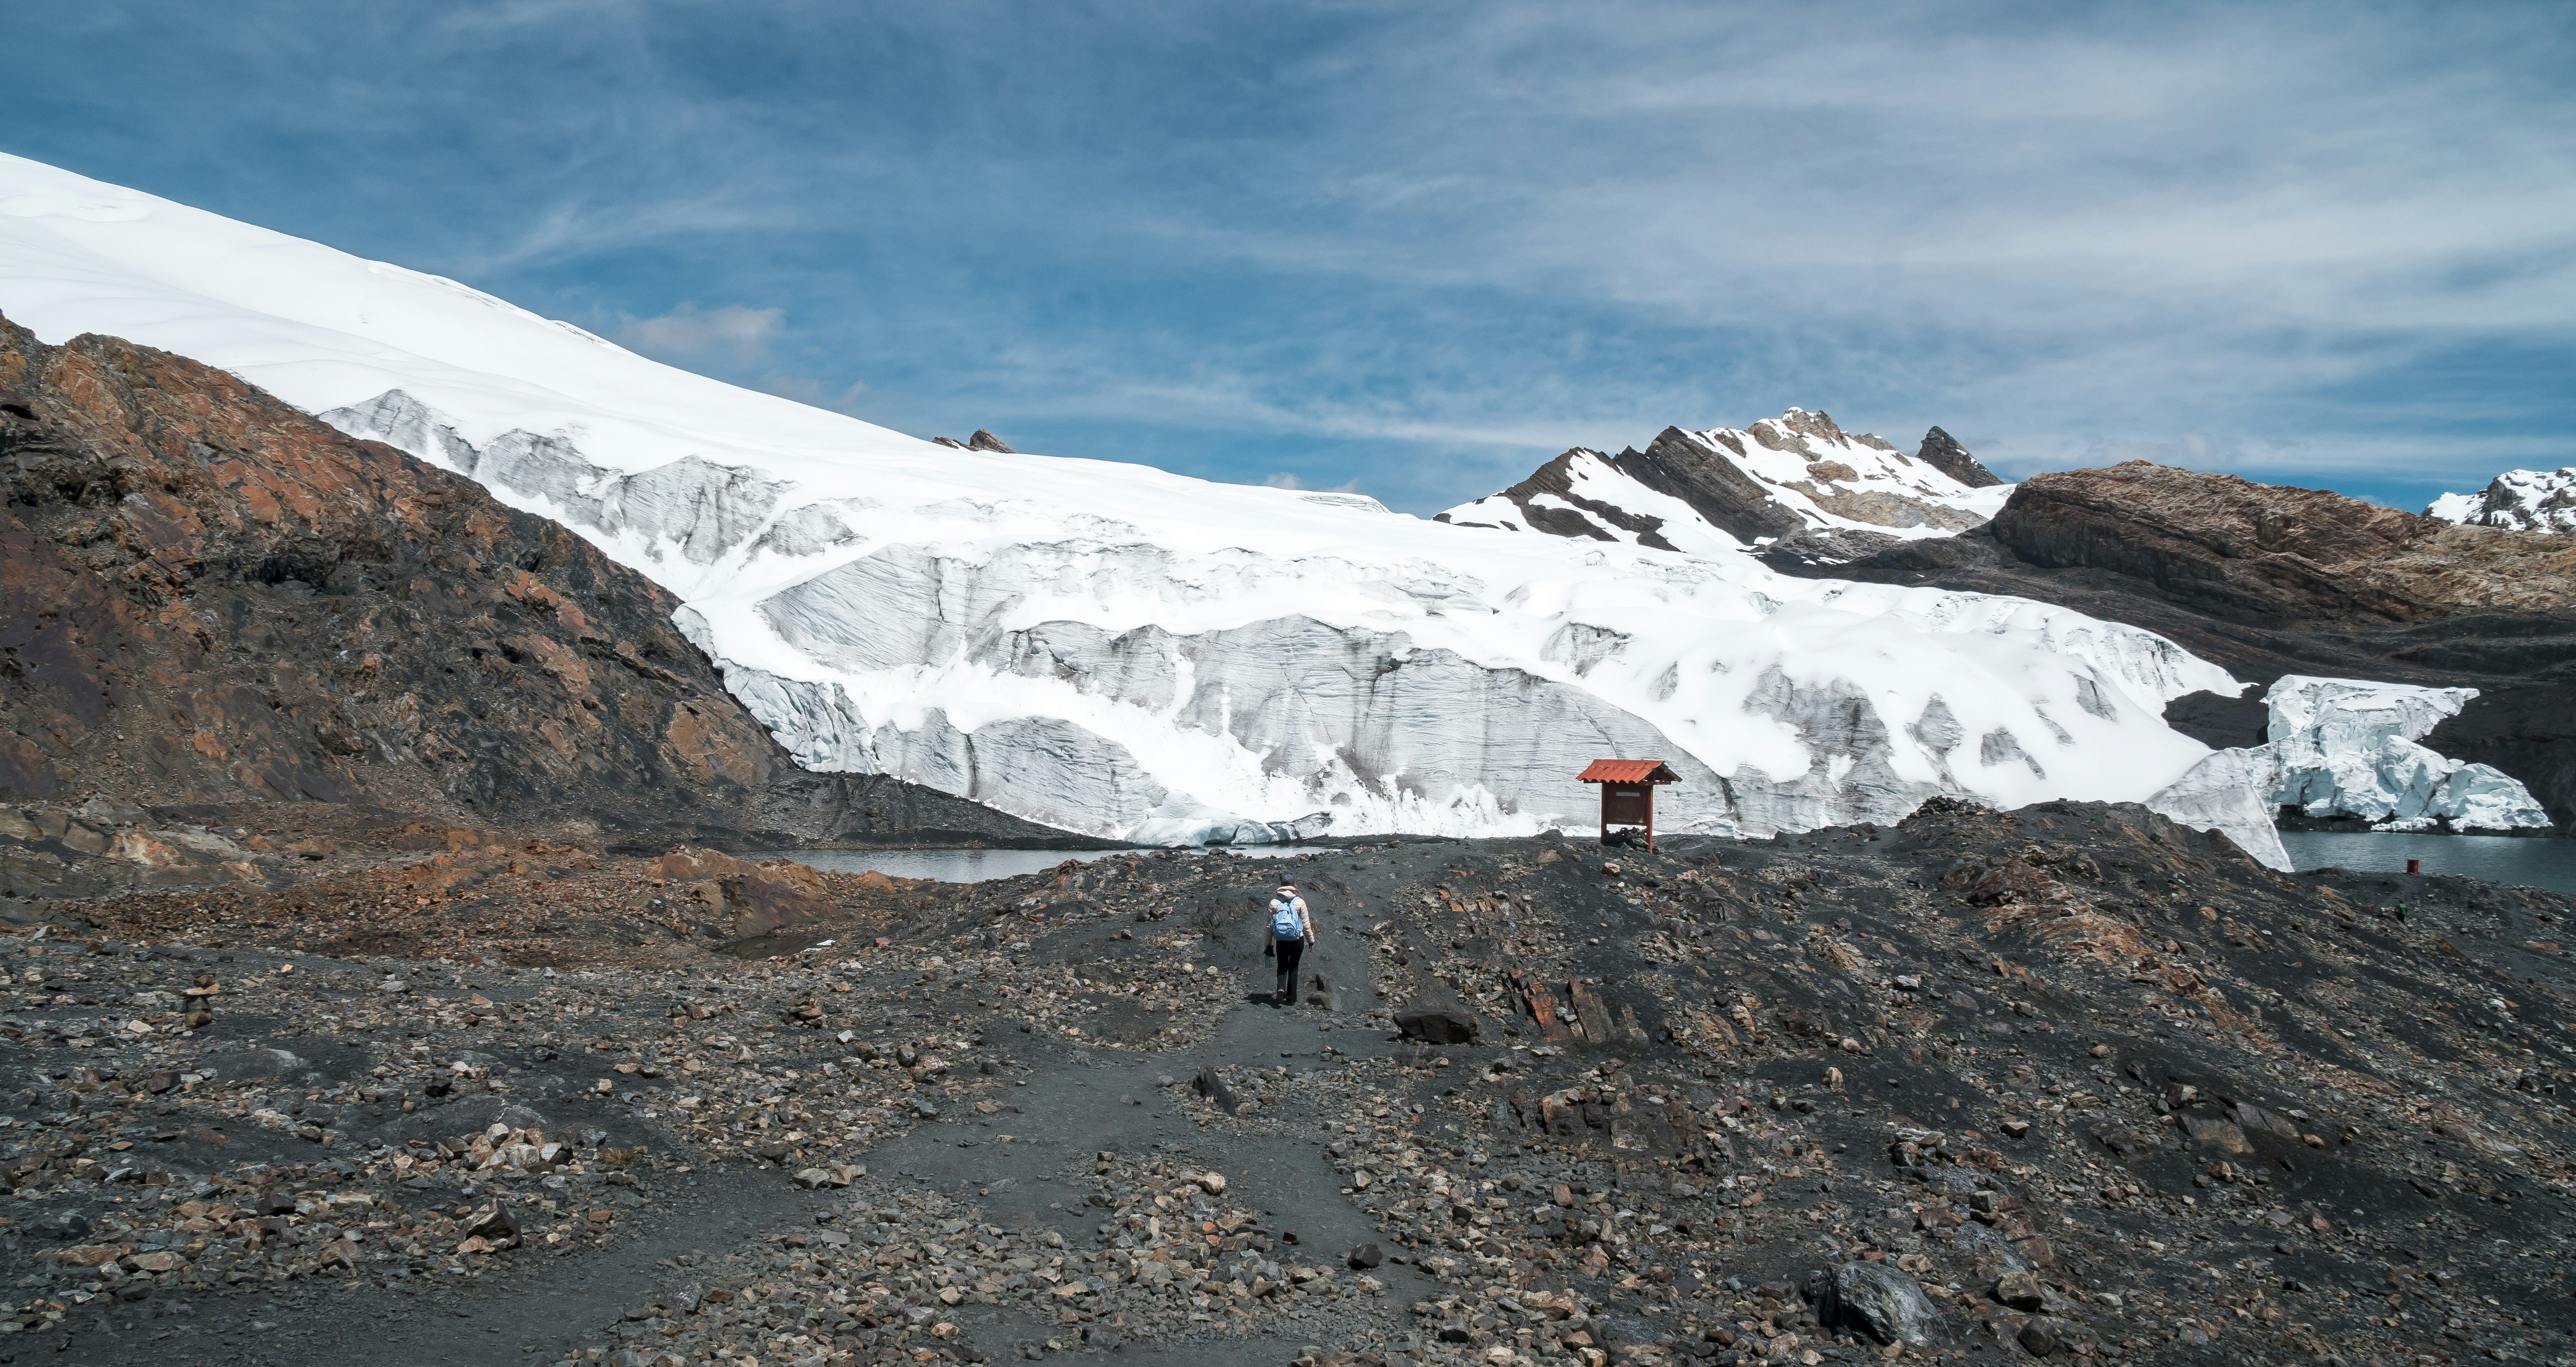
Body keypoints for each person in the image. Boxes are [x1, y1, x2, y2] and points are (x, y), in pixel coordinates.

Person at [1264, 880, 1315, 1007]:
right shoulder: (1300, 902)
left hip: (1281, 940)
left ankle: (1281, 988)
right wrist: (1311, 941)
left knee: (1282, 966)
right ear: (1294, 886)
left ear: (1282, 885)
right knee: (1294, 967)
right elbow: (1306, 925)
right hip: (1297, 940)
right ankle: (1291, 999)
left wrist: (1268, 945)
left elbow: (1270, 927)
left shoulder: (1274, 902)